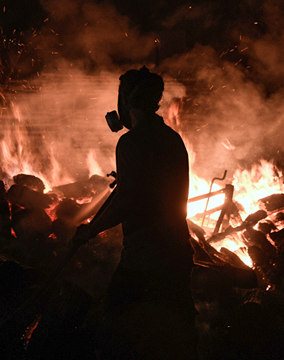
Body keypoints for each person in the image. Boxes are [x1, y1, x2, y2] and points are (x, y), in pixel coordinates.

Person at [72, 67, 198, 360]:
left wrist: (91, 229)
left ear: (126, 101)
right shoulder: (171, 137)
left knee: (117, 331)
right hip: (177, 251)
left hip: (144, 256)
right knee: (175, 335)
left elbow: (128, 203)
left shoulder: (131, 142)